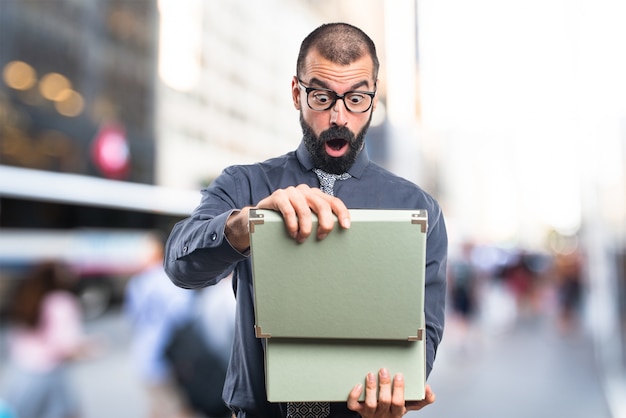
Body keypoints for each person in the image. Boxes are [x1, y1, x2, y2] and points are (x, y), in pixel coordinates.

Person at [164, 22, 448, 418]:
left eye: (356, 99)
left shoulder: (419, 209)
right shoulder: (244, 184)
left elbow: (425, 333)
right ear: (297, 93)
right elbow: (180, 266)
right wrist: (246, 224)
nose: (338, 117)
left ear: (373, 98)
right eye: (321, 96)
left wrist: (401, 386)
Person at [1, 261, 98, 418]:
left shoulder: (26, 297)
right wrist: (91, 348)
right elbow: (66, 346)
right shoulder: (61, 301)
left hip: (21, 373)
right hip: (49, 375)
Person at [124, 232, 197, 418]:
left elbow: (133, 318)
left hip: (145, 356)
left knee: (159, 407)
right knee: (178, 408)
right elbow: (184, 317)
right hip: (170, 359)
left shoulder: (137, 282)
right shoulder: (174, 279)